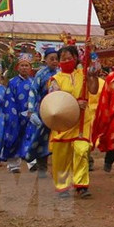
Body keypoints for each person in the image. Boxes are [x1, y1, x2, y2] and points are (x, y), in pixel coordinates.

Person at [47, 44, 100, 197]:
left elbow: (94, 89)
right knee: (61, 155)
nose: (66, 61)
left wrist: (93, 73)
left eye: (70, 58)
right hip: (63, 122)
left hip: (82, 120)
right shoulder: (55, 80)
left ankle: (81, 185)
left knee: (82, 150)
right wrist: (76, 104)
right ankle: (62, 186)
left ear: (76, 58)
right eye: (63, 59)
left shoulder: (83, 74)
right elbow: (55, 101)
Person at [24, 48, 58, 177]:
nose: (54, 61)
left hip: (59, 110)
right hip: (44, 110)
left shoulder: (61, 74)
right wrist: (31, 110)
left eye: (56, 59)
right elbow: (33, 91)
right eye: (51, 59)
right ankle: (42, 168)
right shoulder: (41, 74)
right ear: (46, 60)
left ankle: (59, 168)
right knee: (42, 138)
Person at [2, 54, 35, 173]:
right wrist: (13, 115)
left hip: (31, 115)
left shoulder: (33, 82)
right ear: (17, 67)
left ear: (30, 68)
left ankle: (32, 163)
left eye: (27, 65)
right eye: (22, 65)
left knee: (31, 137)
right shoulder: (13, 82)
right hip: (16, 115)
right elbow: (9, 99)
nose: (24, 68)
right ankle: (13, 165)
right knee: (14, 138)